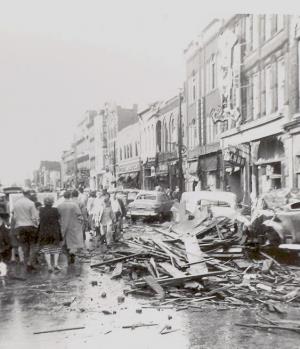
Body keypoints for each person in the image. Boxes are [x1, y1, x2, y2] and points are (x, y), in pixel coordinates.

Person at [13, 189, 39, 271]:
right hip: (30, 226)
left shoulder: (16, 203)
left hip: (20, 227)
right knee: (33, 245)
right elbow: (35, 217)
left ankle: (26, 262)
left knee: (24, 246)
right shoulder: (31, 203)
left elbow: (15, 217)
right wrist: (37, 225)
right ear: (28, 194)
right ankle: (30, 263)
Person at [57, 191, 84, 264]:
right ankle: (72, 254)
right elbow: (79, 215)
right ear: (70, 196)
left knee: (63, 242)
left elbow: (57, 216)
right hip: (73, 225)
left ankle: (68, 255)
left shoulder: (60, 205)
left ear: (64, 196)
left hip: (63, 225)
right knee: (72, 242)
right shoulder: (74, 205)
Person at [38, 197, 62, 272]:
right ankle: (55, 264)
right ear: (52, 203)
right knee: (56, 248)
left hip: (44, 232)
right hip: (54, 231)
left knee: (46, 248)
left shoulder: (41, 210)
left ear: (44, 202)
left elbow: (39, 219)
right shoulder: (55, 210)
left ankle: (49, 266)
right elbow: (58, 218)